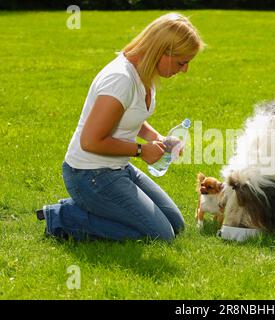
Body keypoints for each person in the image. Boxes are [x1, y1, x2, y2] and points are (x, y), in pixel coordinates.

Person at [36, 13, 205, 242]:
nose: (184, 69)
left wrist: (159, 138)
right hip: (89, 176)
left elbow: (129, 117)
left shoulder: (142, 73)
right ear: (161, 51)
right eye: (181, 62)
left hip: (118, 169)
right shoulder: (120, 80)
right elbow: (91, 141)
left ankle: (97, 211)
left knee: (176, 224)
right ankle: (64, 216)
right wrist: (141, 151)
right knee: (161, 236)